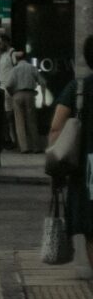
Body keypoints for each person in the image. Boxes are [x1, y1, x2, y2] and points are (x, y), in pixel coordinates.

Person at [46, 37, 93, 275]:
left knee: (91, 231)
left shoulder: (78, 89)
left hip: (86, 172)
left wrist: (55, 166)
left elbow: (56, 127)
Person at [8, 46, 43, 155]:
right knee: (32, 121)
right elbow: (42, 82)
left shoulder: (14, 69)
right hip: (30, 94)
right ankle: (36, 147)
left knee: (19, 122)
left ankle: (24, 148)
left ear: (17, 59)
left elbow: (8, 85)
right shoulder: (32, 68)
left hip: (17, 95)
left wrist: (12, 93)